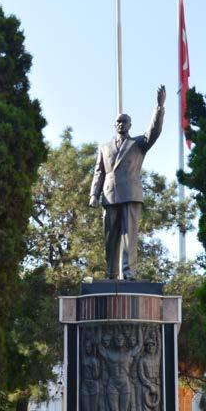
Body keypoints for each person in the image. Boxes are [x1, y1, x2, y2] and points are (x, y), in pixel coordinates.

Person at [89, 86, 166, 279]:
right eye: (118, 121)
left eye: (124, 121)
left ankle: (129, 273)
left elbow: (153, 132)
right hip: (109, 195)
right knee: (110, 239)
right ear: (114, 125)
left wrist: (159, 107)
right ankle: (111, 274)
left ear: (130, 125)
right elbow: (99, 172)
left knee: (128, 236)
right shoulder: (104, 147)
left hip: (130, 194)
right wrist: (93, 194)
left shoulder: (138, 144)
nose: (121, 124)